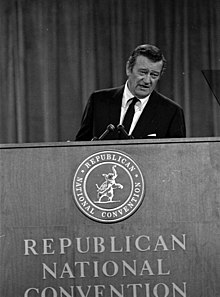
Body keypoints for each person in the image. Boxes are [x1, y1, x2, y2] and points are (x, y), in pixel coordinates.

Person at [75, 44, 186, 141]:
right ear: (129, 68)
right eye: (143, 72)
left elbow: (176, 157)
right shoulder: (98, 101)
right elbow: (81, 147)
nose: (147, 81)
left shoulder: (171, 112)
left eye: (154, 75)